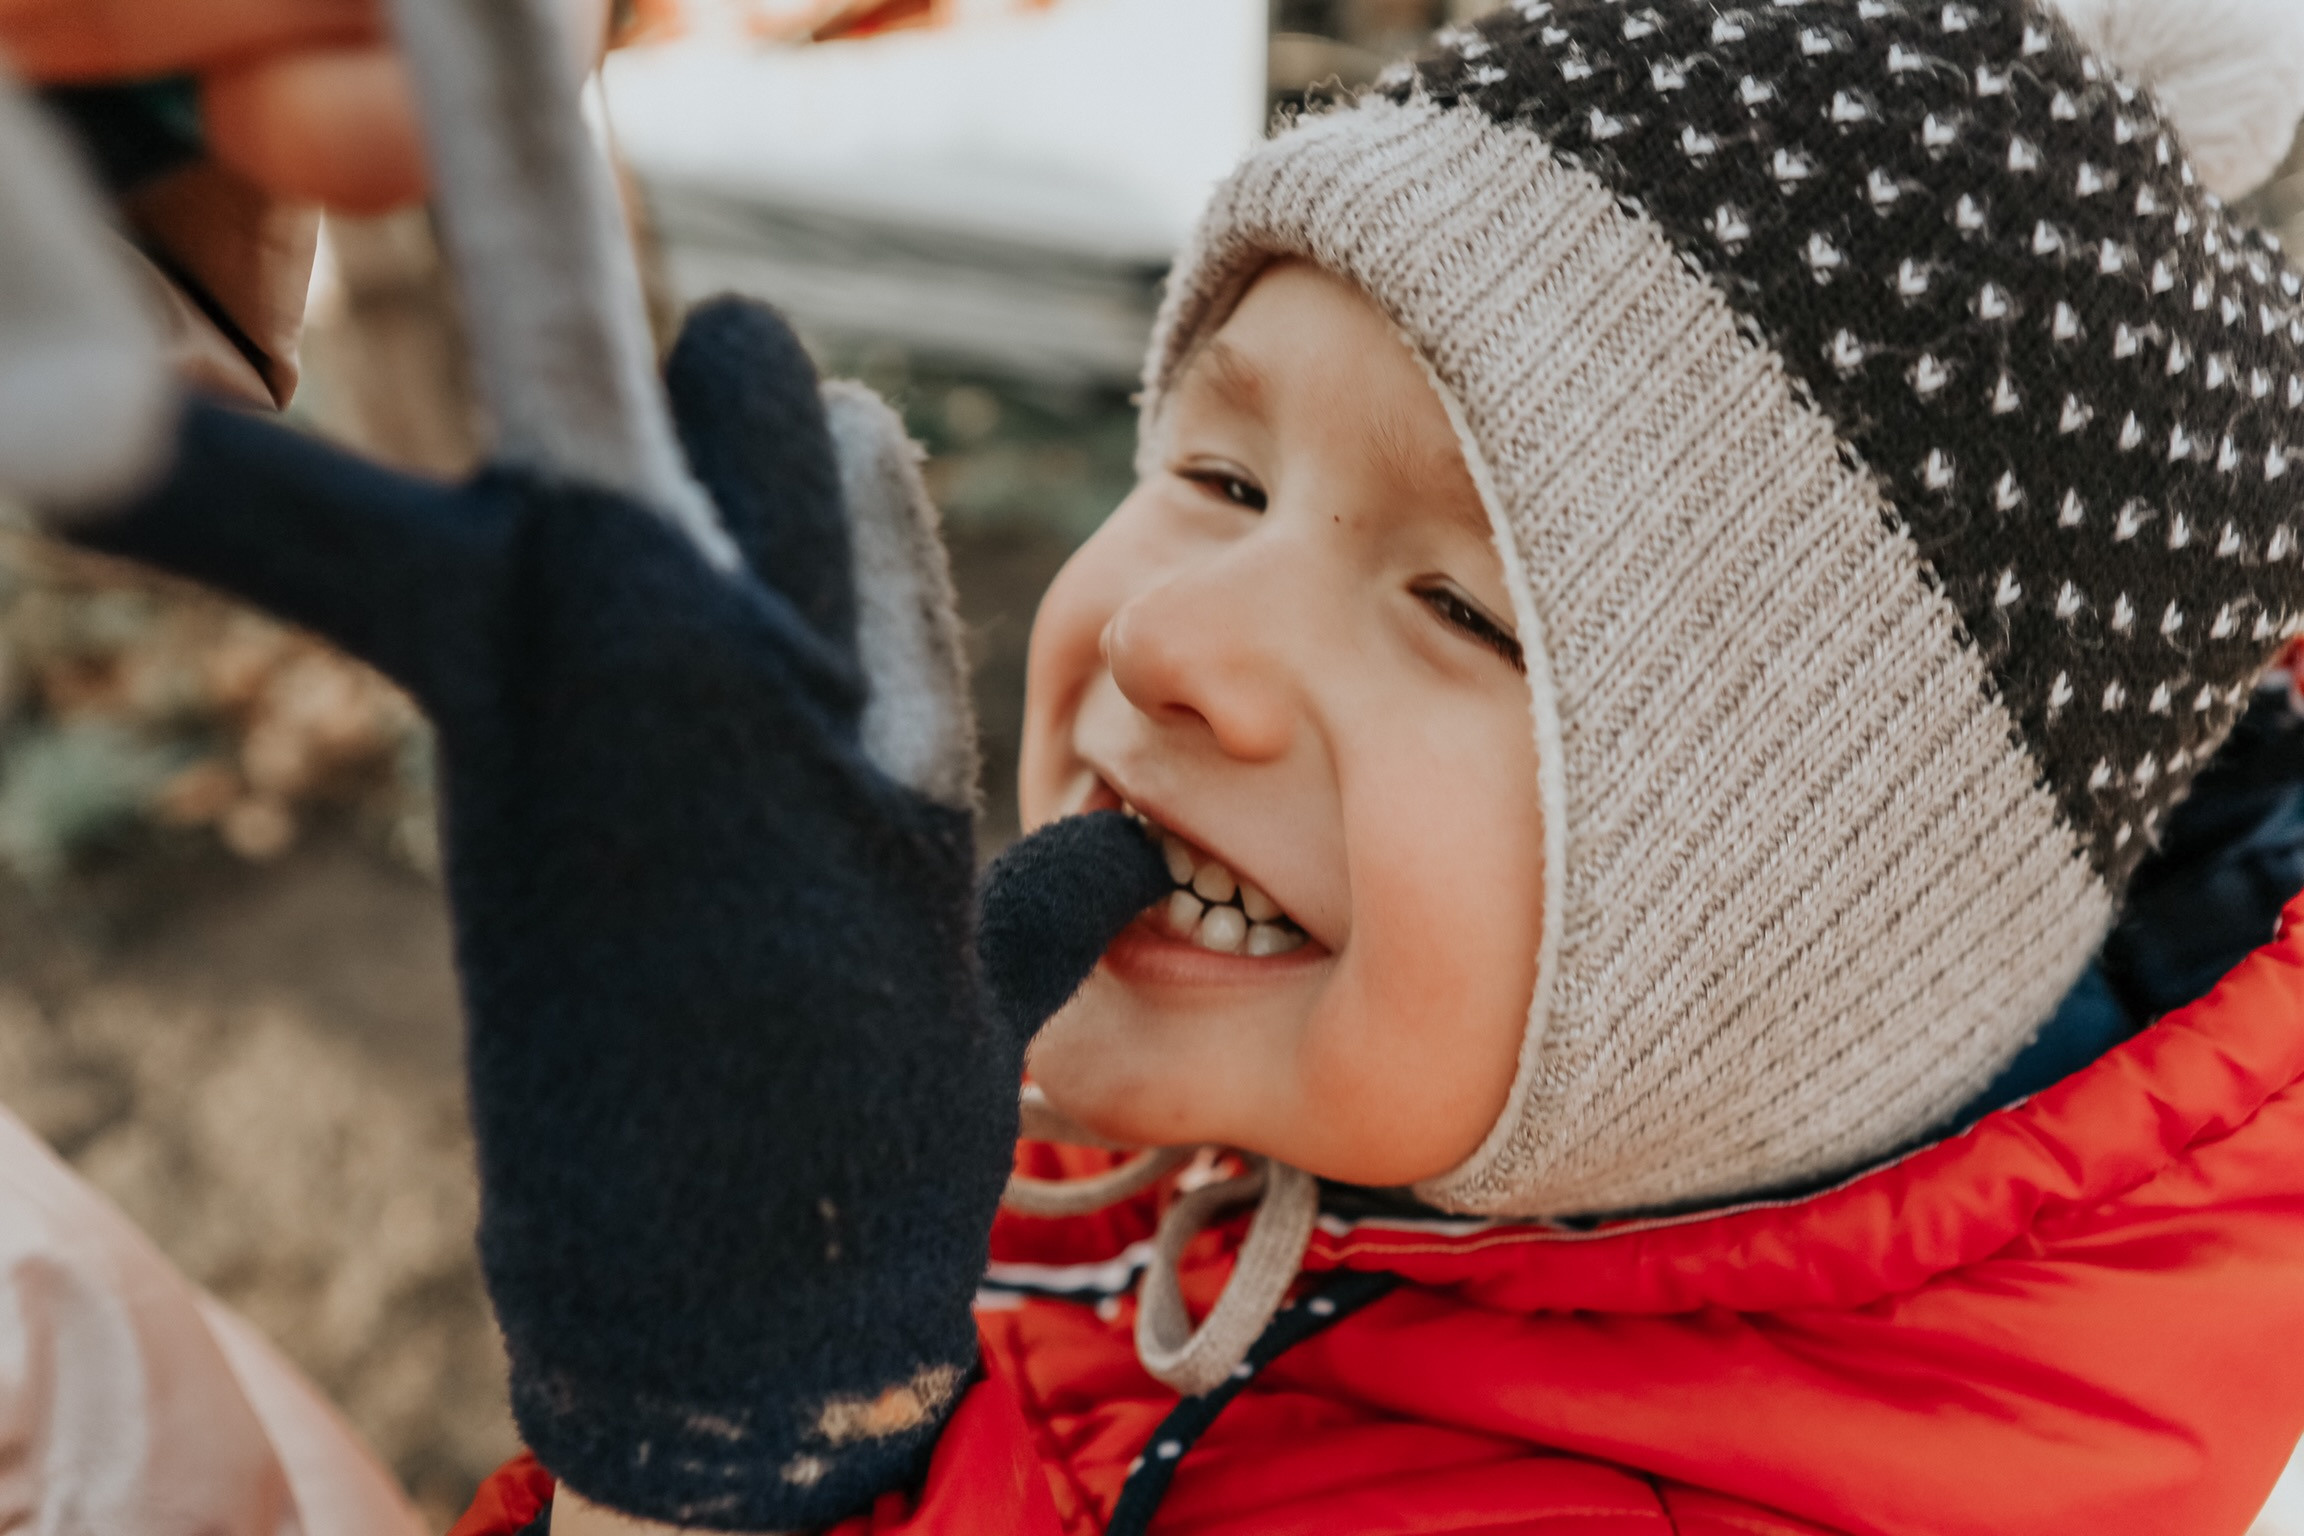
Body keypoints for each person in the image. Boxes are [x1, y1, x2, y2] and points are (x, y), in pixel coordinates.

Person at [22, 1, 2304, 1534]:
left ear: (1821, 938)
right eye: (1216, 475)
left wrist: (731, 1437)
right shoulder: (1227, 1150)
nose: (1184, 639)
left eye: (1465, 609)